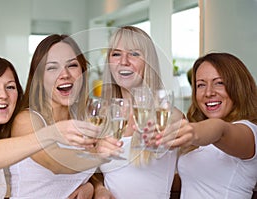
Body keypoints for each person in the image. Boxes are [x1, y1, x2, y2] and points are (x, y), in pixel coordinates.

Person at [0, 56, 99, 199]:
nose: (3, 95)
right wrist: (52, 133)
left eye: (10, 87)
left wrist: (92, 185)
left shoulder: (7, 137)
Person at [9, 34, 122, 199]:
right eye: (52, 67)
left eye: (72, 65)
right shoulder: (27, 120)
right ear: (39, 78)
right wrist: (98, 151)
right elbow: (55, 162)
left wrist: (95, 187)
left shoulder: (83, 119)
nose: (65, 74)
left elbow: (82, 171)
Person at [92, 26, 182, 199]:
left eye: (134, 54)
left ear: (149, 63)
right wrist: (98, 188)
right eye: (116, 54)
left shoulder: (169, 115)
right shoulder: (101, 117)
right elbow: (88, 172)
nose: (123, 61)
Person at [155, 52, 257, 199]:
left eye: (219, 83)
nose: (208, 92)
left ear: (239, 87)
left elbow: (221, 130)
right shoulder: (199, 138)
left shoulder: (249, 131)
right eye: (201, 85)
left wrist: (191, 132)